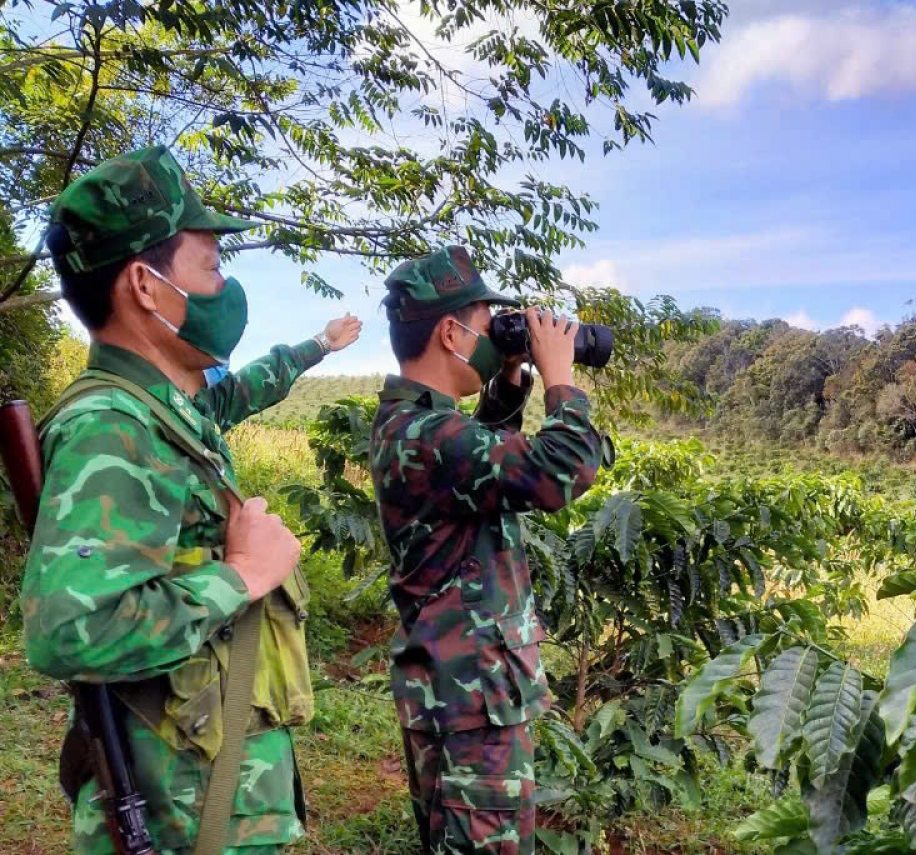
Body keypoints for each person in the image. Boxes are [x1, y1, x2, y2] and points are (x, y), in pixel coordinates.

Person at [20, 145, 360, 854]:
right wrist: (243, 574)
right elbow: (70, 629)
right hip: (180, 813)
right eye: (210, 267)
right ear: (145, 285)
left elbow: (244, 388)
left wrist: (316, 347)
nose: (225, 288)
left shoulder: (169, 409)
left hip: (210, 797)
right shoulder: (111, 426)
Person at [369, 246, 603, 853]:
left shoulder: (411, 424)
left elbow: (479, 467)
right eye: (483, 326)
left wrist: (504, 383)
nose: (490, 339)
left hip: (452, 688)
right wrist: (560, 378)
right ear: (450, 333)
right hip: (473, 696)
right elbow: (564, 470)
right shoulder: (432, 434)